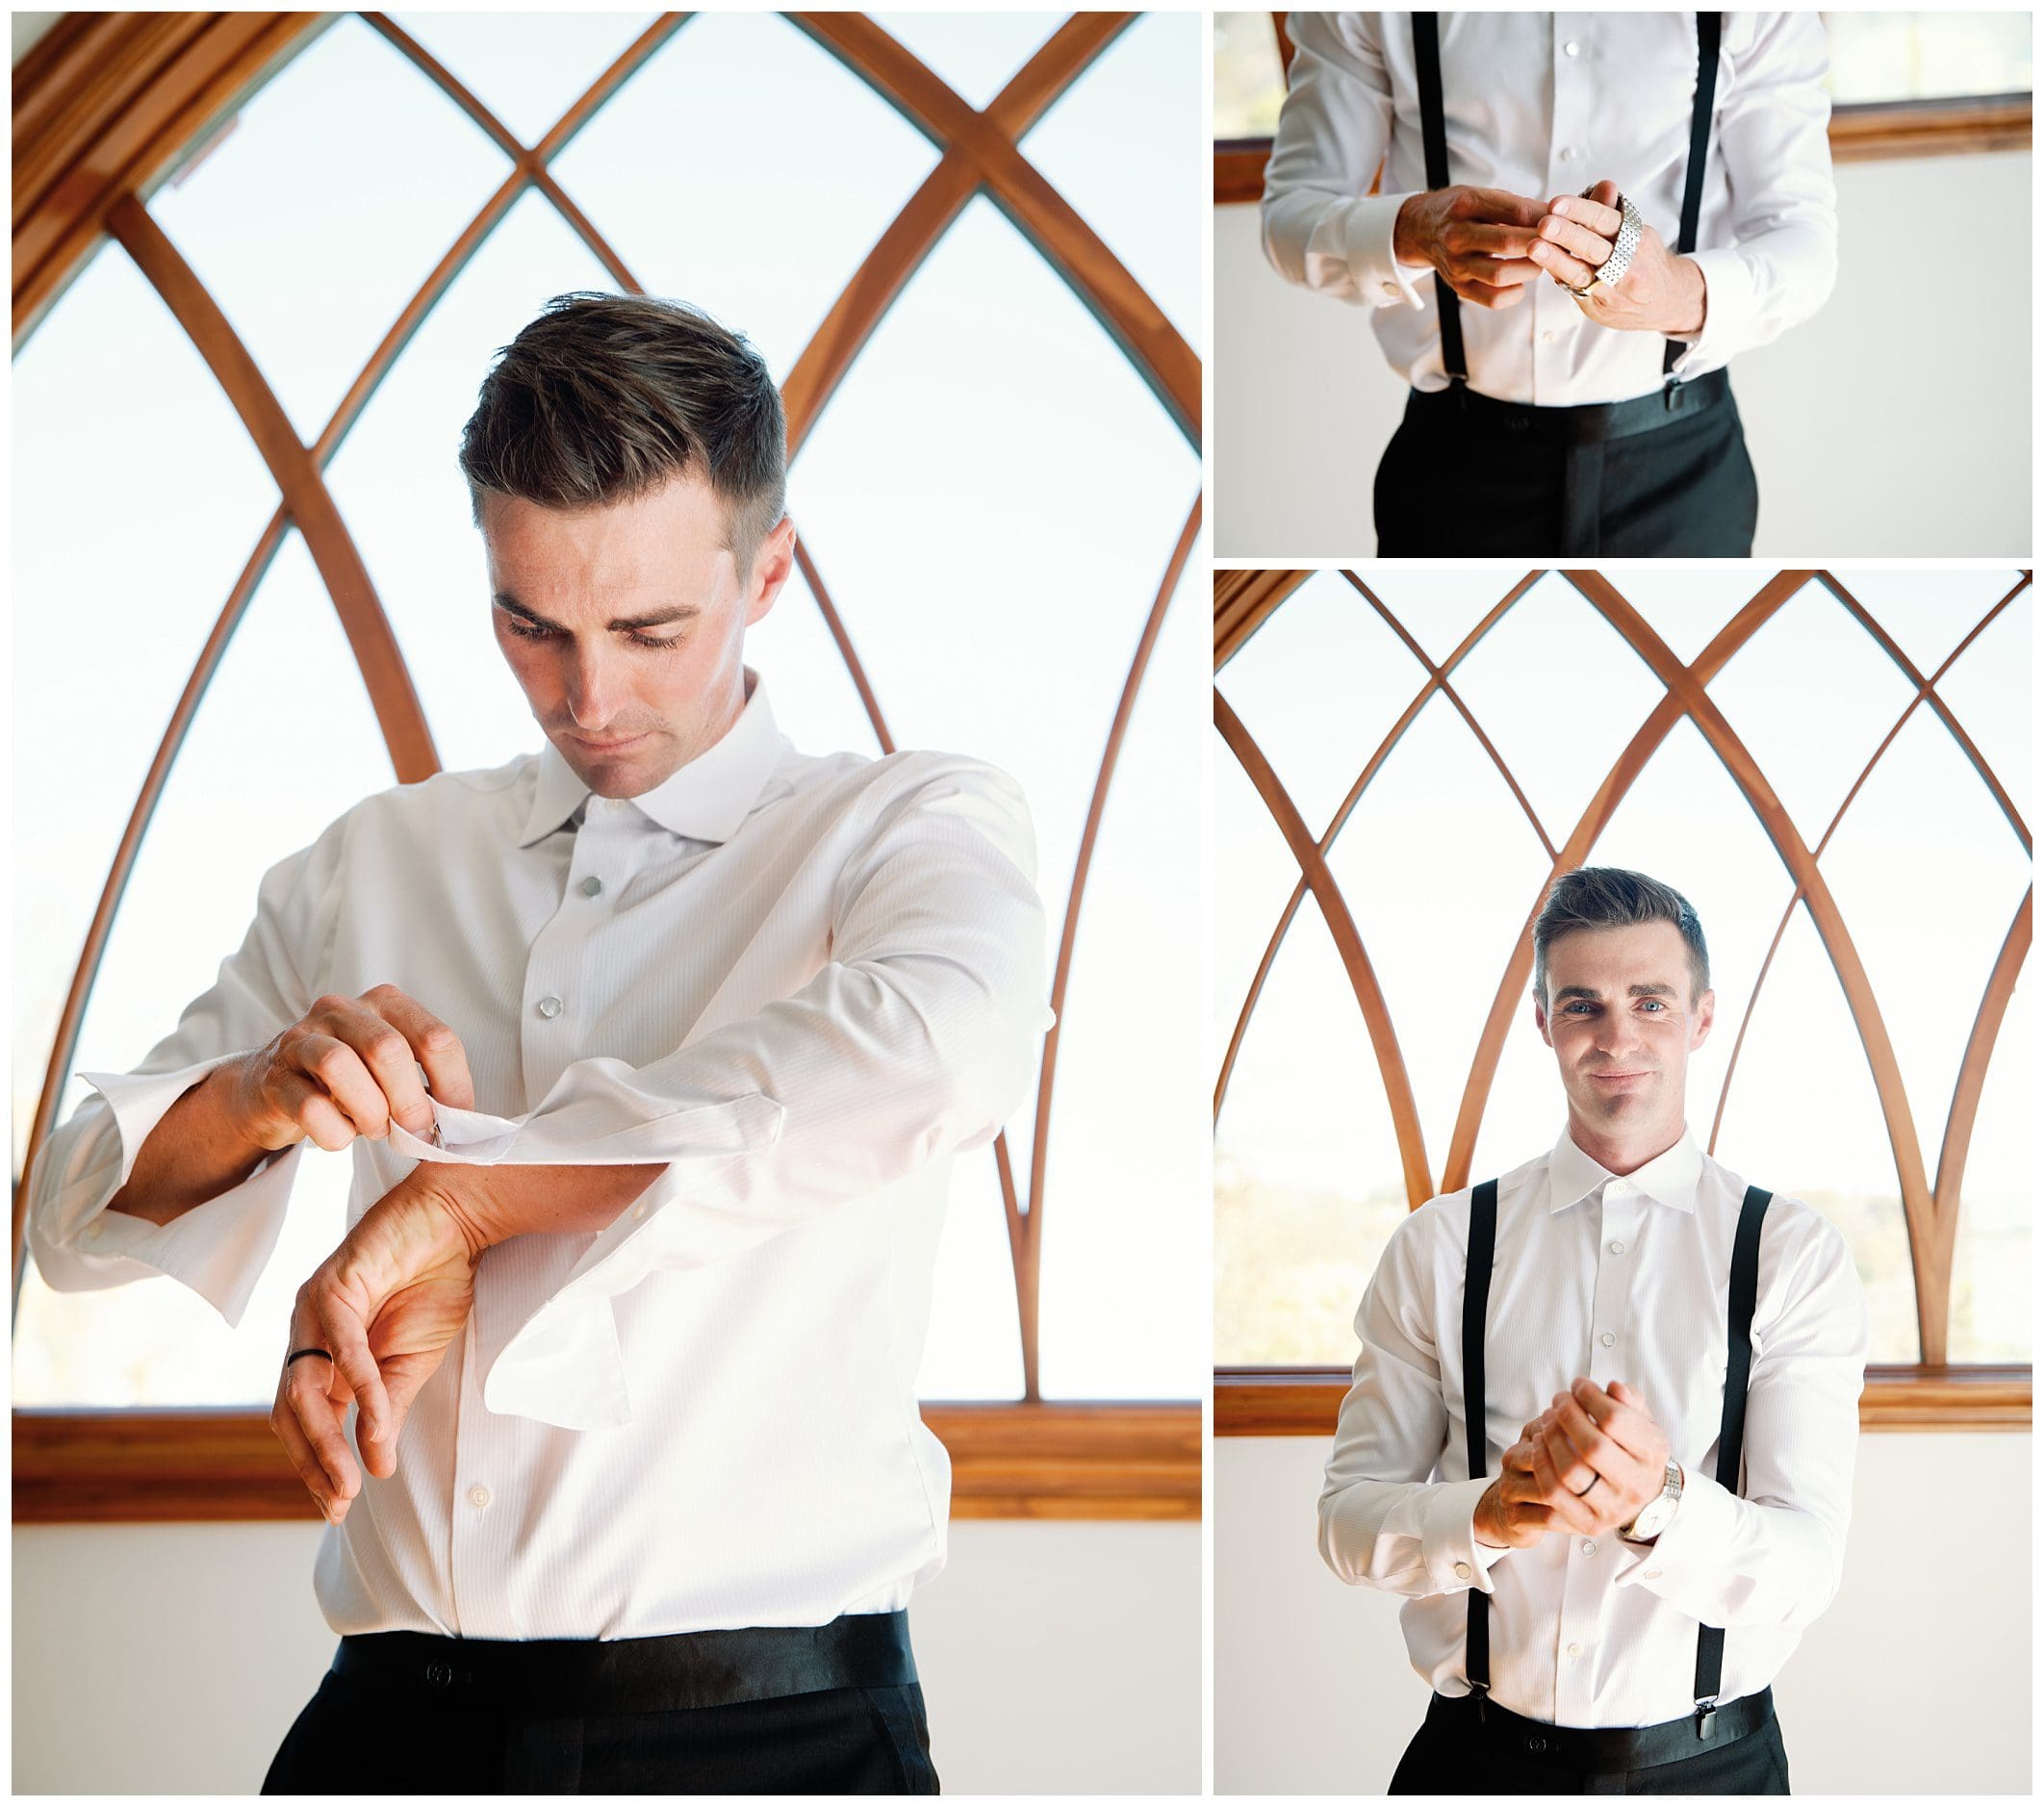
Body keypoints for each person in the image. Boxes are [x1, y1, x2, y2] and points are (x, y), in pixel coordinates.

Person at [26, 292, 1052, 1794]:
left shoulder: (906, 825)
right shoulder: (372, 862)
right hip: (386, 1726)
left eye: (650, 629)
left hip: (768, 1734)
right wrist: (256, 1096)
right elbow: (66, 1215)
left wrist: (467, 1194)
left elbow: (941, 1054)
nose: (589, 694)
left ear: (770, 569)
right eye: (531, 624)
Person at [1318, 867, 1867, 1794]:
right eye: (1584, 1004)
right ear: (1544, 1021)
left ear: (1700, 1020)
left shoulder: (1790, 1254)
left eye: (1650, 1002)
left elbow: (1807, 1568)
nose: (1617, 1036)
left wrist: (1656, 1504)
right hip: (1474, 1766)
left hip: (1711, 1772)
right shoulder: (1439, 1246)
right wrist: (1483, 1515)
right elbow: (1346, 1521)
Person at [1261, 13, 1839, 555]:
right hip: (1453, 472)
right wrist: (1411, 232)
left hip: (1683, 471)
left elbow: (1804, 239)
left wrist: (1676, 292)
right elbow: (1290, 215)